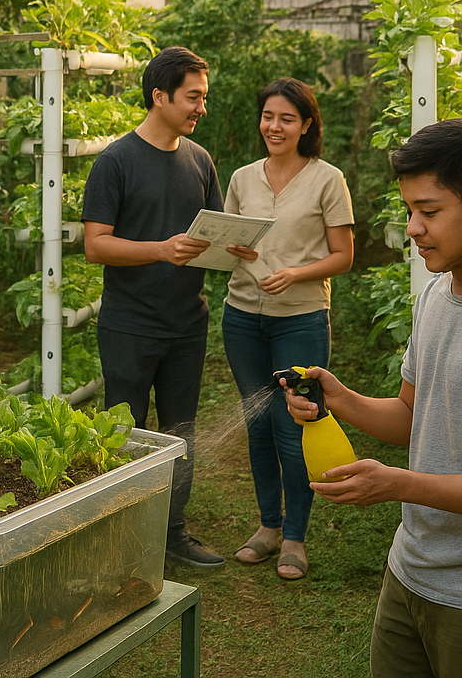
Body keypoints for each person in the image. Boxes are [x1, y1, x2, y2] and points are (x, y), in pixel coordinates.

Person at [285, 118, 462, 676]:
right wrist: (339, 399)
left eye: (429, 212)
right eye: (409, 210)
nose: (413, 228)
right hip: (410, 570)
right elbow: (412, 415)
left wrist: (400, 484)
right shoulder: (436, 294)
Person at [82, 45, 225, 567]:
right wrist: (162, 249)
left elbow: (212, 234)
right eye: (193, 98)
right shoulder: (115, 161)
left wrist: (236, 247)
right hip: (129, 325)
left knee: (179, 430)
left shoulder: (200, 160)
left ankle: (172, 531)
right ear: (159, 96)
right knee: (123, 432)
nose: (200, 109)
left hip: (188, 322)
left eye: (204, 99)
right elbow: (96, 245)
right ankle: (120, 536)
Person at [223, 77, 354, 580]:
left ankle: (295, 538)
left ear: (306, 125)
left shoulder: (327, 179)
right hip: (241, 317)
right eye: (268, 116)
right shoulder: (241, 178)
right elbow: (229, 239)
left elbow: (343, 257)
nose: (274, 126)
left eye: (286, 119)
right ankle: (267, 526)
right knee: (257, 423)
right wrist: (231, 249)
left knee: (293, 425)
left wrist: (295, 272)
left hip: (299, 319)